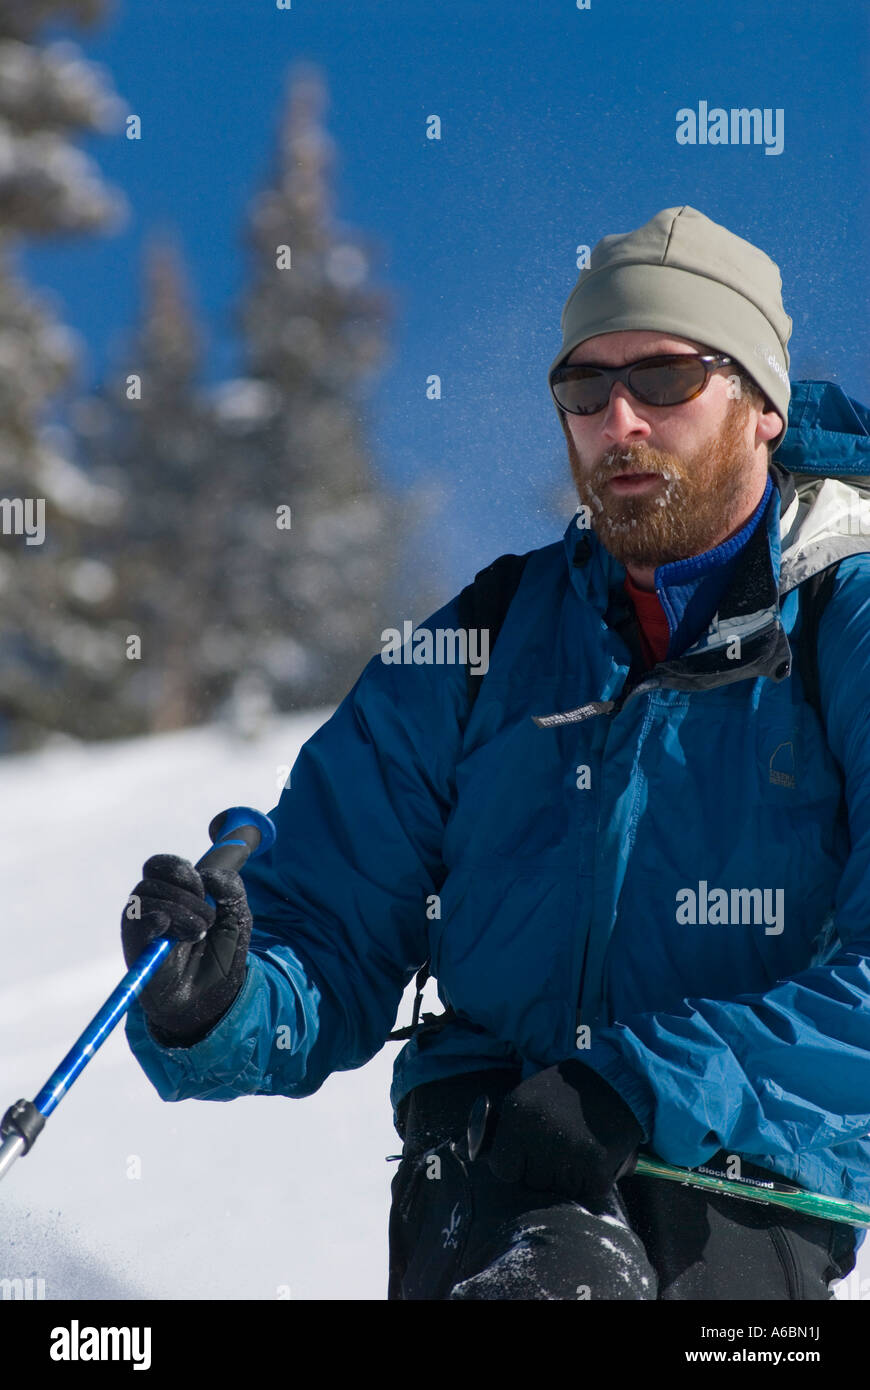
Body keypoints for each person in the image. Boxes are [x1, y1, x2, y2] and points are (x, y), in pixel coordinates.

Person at [122, 205, 870, 1300]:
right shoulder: (484, 644)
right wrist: (215, 997)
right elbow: (325, 932)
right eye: (585, 388)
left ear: (761, 406)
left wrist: (637, 1081)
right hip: (488, 1159)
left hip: (743, 1188)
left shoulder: (843, 627)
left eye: (665, 381)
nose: (620, 419)